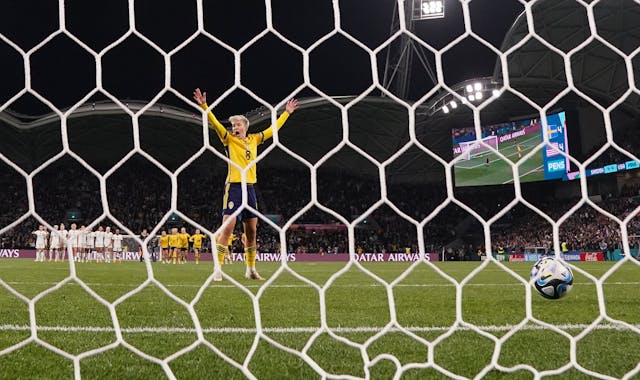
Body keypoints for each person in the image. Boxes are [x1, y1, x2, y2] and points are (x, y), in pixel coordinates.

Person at [193, 88, 299, 281]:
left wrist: (286, 113)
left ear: (245, 126)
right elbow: (215, 123)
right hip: (233, 187)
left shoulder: (255, 139)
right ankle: (218, 269)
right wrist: (204, 106)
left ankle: (250, 269)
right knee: (227, 229)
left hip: (250, 189)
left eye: (238, 124)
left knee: (251, 232)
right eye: (233, 124)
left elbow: (273, 129)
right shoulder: (228, 139)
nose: (234, 127)